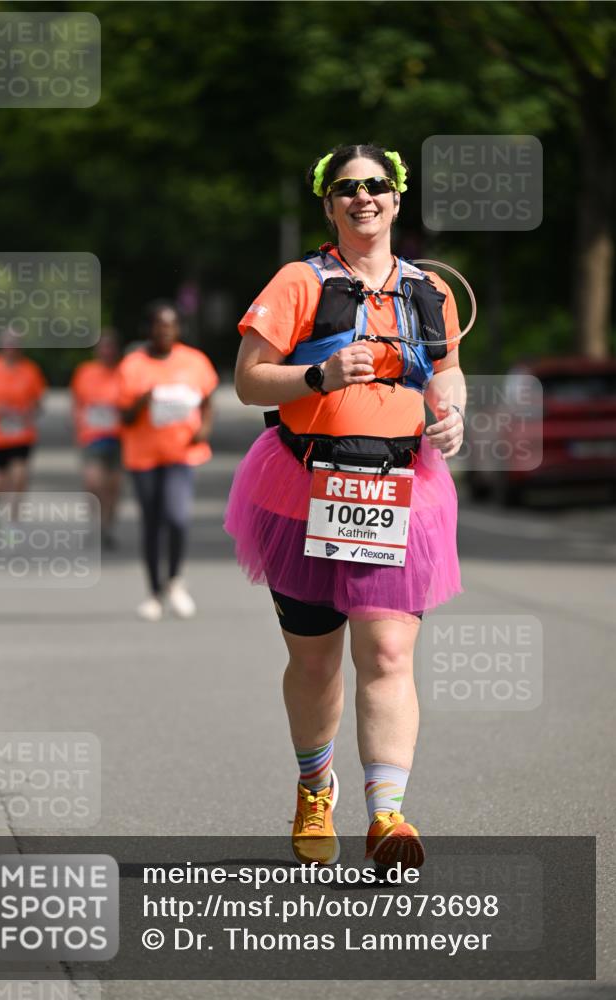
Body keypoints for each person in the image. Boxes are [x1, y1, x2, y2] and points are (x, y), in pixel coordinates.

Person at [226, 143, 466, 870]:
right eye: (346, 188)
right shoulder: (301, 280)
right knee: (315, 663)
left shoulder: (429, 290)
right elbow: (247, 381)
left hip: (400, 490)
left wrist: (450, 412)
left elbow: (447, 374)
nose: (364, 198)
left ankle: (387, 816)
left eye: (376, 186)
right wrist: (319, 373)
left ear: (397, 199)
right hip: (301, 491)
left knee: (388, 652)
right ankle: (312, 785)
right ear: (328, 204)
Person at [117, 300, 219, 621]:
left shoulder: (194, 361)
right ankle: (153, 592)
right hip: (144, 456)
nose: (164, 330)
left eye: (170, 324)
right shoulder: (132, 365)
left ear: (178, 328)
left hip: (182, 452)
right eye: (159, 325)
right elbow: (124, 416)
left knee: (176, 517)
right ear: (148, 329)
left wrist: (204, 428)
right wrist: (143, 401)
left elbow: (207, 399)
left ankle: (174, 579)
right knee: (151, 522)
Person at [0, 329, 47, 515]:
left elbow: (38, 404)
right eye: (8, 344)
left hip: (21, 434)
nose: (11, 348)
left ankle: (14, 521)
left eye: (15, 344)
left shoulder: (30, 370)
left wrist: (29, 411)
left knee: (19, 477)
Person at [70, 329, 123, 548]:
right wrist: (76, 425)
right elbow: (75, 402)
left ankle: (107, 525)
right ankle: (97, 521)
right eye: (103, 347)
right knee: (93, 482)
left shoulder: (124, 372)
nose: (107, 351)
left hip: (119, 438)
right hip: (92, 436)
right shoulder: (85, 372)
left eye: (110, 347)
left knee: (112, 487)